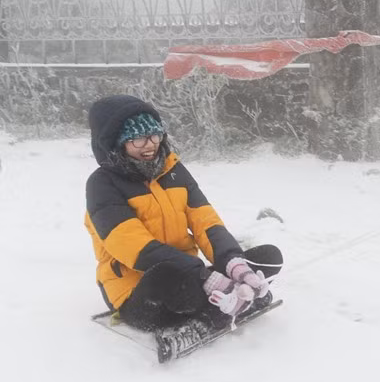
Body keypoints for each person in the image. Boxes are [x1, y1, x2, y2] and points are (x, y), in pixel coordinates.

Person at [85, 95, 282, 335]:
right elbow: (132, 245)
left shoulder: (172, 170)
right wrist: (204, 277)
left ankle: (236, 297)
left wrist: (235, 265)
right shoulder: (102, 185)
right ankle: (219, 311)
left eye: (155, 135)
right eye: (137, 139)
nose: (150, 145)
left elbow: (206, 222)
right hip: (142, 291)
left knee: (269, 256)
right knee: (170, 278)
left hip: (189, 275)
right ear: (115, 142)